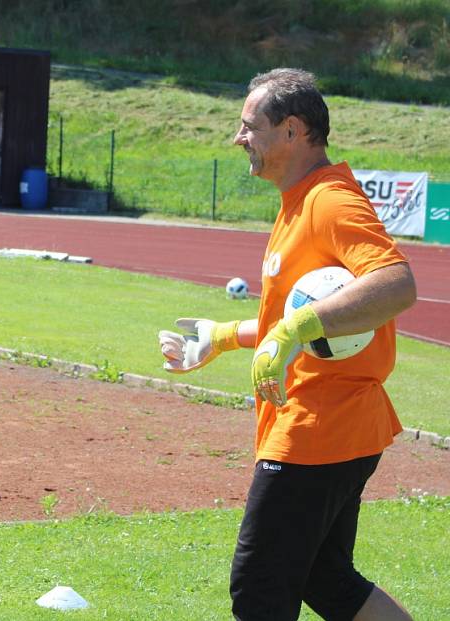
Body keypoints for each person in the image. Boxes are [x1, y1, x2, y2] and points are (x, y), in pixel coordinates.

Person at [158, 68, 416, 621]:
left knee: (259, 590)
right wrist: (223, 336)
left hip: (317, 428)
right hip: (335, 426)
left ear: (293, 130)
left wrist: (293, 331)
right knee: (328, 582)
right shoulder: (297, 200)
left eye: (249, 125)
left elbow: (396, 283)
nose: (238, 138)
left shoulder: (328, 201)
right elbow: (290, 321)